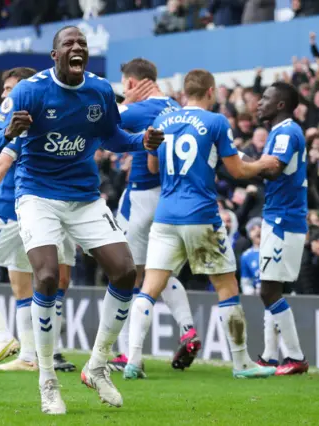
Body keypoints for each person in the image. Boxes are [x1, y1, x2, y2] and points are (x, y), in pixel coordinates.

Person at [0, 26, 163, 414]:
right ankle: (47, 381)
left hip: (84, 197)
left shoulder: (100, 90)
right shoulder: (29, 91)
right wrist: (9, 131)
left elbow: (112, 137)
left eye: (82, 45)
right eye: (69, 44)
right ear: (54, 55)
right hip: (37, 195)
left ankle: (97, 365)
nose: (77, 48)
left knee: (124, 272)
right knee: (48, 277)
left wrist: (142, 142)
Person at [126, 68, 279, 381]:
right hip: (202, 216)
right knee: (226, 286)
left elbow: (153, 166)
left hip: (165, 216)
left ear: (184, 93)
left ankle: (133, 360)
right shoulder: (216, 122)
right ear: (211, 92)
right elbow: (236, 171)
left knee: (149, 288)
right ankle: (241, 363)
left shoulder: (163, 121)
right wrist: (263, 164)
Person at [0, 67, 77, 374]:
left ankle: (1, 337)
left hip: (9, 210)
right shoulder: (44, 119)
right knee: (22, 286)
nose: (4, 94)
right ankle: (28, 355)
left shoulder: (23, 123)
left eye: (10, 87)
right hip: (32, 213)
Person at [110, 58, 201, 375]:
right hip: (171, 198)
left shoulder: (135, 111)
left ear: (133, 84)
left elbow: (101, 129)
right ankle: (188, 328)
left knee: (125, 275)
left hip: (140, 197)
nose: (124, 92)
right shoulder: (176, 107)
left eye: (125, 87)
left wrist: (123, 106)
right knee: (159, 272)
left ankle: (127, 353)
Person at [254, 82, 310, 375]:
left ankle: (296, 357)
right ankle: (268, 357)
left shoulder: (287, 131)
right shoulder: (280, 131)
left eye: (265, 98)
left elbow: (274, 168)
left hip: (284, 219)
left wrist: (239, 162)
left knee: (269, 290)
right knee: (269, 284)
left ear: (280, 105)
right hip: (276, 216)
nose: (259, 102)